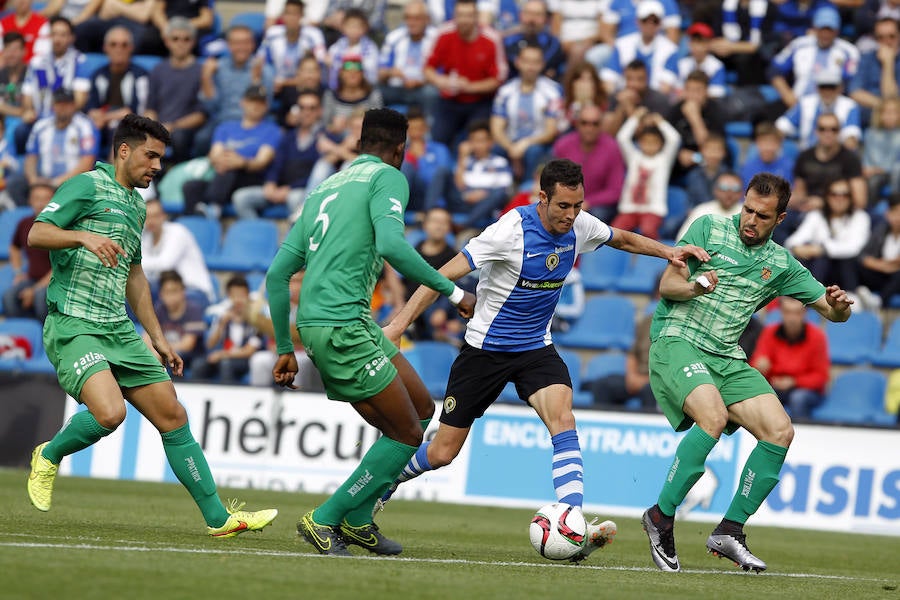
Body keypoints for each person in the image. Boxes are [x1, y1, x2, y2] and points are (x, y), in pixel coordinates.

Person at [378, 157, 710, 562]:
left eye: (578, 206)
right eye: (563, 207)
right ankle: (382, 482)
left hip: (536, 347)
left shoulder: (581, 224)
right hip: (486, 350)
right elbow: (438, 276)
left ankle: (570, 519)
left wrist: (668, 252)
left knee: (563, 419)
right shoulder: (508, 231)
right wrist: (397, 326)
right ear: (542, 198)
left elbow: (621, 238)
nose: (572, 215)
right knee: (442, 452)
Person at [25, 113, 277, 536]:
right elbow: (38, 232)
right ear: (124, 151)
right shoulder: (86, 186)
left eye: (161, 158)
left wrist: (158, 337)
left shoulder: (137, 205)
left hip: (119, 330)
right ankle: (49, 454)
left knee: (174, 416)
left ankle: (219, 519)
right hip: (74, 324)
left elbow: (135, 274)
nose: (157, 166)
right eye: (151, 156)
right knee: (109, 413)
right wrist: (82, 236)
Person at [265, 107, 476, 556]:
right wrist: (455, 295)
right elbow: (392, 244)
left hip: (336, 325)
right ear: (400, 149)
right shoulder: (388, 177)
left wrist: (286, 347)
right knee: (407, 434)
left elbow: (277, 275)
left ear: (361, 143)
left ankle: (359, 520)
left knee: (420, 409)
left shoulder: (325, 187)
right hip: (343, 326)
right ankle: (324, 518)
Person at [640, 172, 854, 574]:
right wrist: (696, 286)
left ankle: (730, 530)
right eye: (747, 209)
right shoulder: (707, 228)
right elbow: (668, 286)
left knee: (780, 431)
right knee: (713, 417)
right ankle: (661, 517)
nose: (750, 220)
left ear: (781, 219)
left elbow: (832, 313)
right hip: (678, 340)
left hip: (726, 357)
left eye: (762, 215)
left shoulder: (781, 263)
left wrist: (839, 305)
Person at [784, 177, 871, 293]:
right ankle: (810, 296)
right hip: (819, 269)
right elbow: (792, 241)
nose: (839, 199)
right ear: (827, 197)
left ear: (851, 197)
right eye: (834, 194)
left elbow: (854, 248)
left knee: (838, 260)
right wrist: (797, 248)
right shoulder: (816, 215)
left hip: (848, 271)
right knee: (809, 260)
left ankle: (852, 296)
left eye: (845, 194)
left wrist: (821, 249)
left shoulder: (860, 217)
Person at [750, 297, 830, 419]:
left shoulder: (817, 337)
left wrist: (793, 382)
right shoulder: (769, 333)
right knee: (763, 395)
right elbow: (756, 366)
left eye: (797, 313)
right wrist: (760, 367)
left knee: (798, 398)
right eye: (787, 312)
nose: (792, 318)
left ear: (804, 313)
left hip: (807, 390)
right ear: (781, 312)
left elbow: (821, 377)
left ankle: (801, 436)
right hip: (776, 386)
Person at [144, 18, 205, 167]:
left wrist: (172, 126)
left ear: (193, 42)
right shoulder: (158, 70)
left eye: (186, 39)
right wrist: (154, 128)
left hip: (185, 130)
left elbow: (201, 115)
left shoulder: (201, 71)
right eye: (175, 39)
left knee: (179, 137)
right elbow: (150, 107)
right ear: (167, 41)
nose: (180, 43)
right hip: (160, 127)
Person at [611, 107, 680, 240]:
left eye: (654, 142)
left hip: (653, 209)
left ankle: (651, 259)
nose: (649, 146)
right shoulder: (634, 157)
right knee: (615, 231)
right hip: (629, 208)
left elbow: (674, 139)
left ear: (660, 144)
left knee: (648, 230)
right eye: (646, 142)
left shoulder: (664, 159)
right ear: (639, 143)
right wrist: (635, 118)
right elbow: (622, 138)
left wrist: (660, 122)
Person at [552, 103, 625, 223]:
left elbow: (615, 190)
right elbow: (553, 179)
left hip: (596, 206)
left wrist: (588, 202)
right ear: (577, 124)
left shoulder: (612, 148)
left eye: (595, 124)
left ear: (601, 125)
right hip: (566, 201)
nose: (589, 128)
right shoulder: (563, 145)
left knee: (595, 216)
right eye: (584, 123)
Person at [192, 275, 264, 383]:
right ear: (228, 296)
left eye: (241, 295)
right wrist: (221, 325)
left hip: (244, 360)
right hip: (223, 356)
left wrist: (222, 354)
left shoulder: (256, 319)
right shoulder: (222, 315)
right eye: (234, 295)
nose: (238, 300)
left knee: (226, 364)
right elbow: (210, 344)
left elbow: (249, 351)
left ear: (248, 296)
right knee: (198, 365)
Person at [140, 198, 214, 302]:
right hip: (167, 291)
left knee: (151, 291)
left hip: (195, 291)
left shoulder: (178, 232)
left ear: (164, 216)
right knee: (136, 291)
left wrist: (135, 263)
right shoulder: (146, 237)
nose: (151, 221)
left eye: (156, 216)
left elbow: (165, 264)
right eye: (147, 217)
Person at [24, 87, 98, 190]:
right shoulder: (40, 126)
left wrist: (56, 182)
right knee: (16, 183)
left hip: (74, 184)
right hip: (44, 183)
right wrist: (33, 180)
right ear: (53, 105)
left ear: (74, 105)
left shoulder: (85, 126)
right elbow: (31, 157)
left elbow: (87, 163)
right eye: (59, 103)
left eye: (67, 104)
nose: (63, 107)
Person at [2, 183, 53, 321]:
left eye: (46, 198)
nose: (41, 203)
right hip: (32, 279)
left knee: (40, 298)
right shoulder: (24, 223)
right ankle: (22, 337)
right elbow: (14, 247)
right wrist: (18, 273)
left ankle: (45, 338)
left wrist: (35, 289)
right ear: (30, 200)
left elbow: (61, 266)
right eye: (36, 198)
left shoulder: (61, 226)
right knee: (9, 297)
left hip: (56, 281)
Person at [143, 269, 206, 373]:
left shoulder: (194, 310)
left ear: (183, 291)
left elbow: (188, 345)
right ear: (161, 294)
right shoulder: (159, 308)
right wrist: (156, 350)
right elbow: (146, 337)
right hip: (168, 353)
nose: (171, 297)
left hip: (192, 357)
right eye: (167, 292)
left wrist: (162, 349)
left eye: (174, 291)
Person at [676, 171, 744, 241]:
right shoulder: (701, 211)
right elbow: (682, 239)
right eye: (724, 187)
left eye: (735, 188)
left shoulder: (747, 214)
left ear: (741, 193)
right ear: (715, 190)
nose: (729, 193)